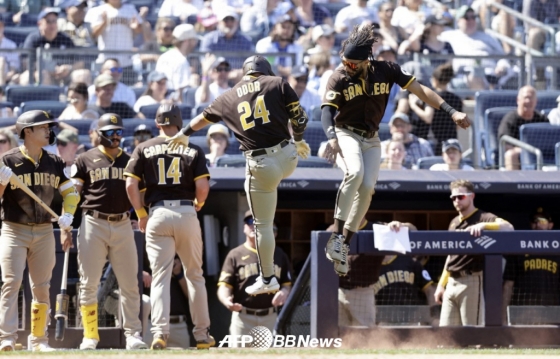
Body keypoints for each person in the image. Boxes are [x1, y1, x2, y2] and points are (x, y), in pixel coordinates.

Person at [321, 24, 471, 277]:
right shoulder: (339, 76)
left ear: (368, 60)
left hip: (371, 138)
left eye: (353, 63)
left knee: (368, 188)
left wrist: (451, 111)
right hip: (345, 132)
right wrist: (331, 137)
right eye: (345, 61)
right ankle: (336, 236)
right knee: (355, 174)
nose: (348, 66)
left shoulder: (387, 70)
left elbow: (420, 90)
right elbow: (326, 111)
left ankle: (344, 244)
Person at [168, 55, 310, 296]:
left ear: (245, 73)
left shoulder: (228, 96)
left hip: (262, 165)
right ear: (265, 71)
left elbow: (205, 116)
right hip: (288, 157)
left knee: (262, 225)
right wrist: (298, 140)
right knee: (263, 185)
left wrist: (184, 132)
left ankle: (268, 279)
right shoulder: (278, 83)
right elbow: (300, 119)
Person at [124, 104, 215, 350]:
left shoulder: (143, 148)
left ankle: (158, 333)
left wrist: (141, 214)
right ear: (179, 122)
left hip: (157, 213)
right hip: (186, 210)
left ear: (157, 124)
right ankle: (202, 335)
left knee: (160, 278)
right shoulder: (193, 148)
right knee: (194, 276)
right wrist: (199, 204)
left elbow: (131, 185)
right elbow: (203, 188)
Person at [0, 111, 79, 351]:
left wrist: (68, 216)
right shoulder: (8, 161)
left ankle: (39, 340)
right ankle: (6, 338)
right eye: (43, 127)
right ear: (27, 132)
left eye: (48, 127)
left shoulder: (54, 161)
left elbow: (70, 193)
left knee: (42, 286)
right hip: (14, 230)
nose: (48, 130)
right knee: (11, 283)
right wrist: (2, 182)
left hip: (45, 230)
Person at [70, 113, 147, 350]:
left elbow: (140, 191)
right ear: (99, 134)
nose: (116, 136)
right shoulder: (84, 159)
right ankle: (90, 336)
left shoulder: (131, 160)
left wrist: (139, 214)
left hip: (123, 223)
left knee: (130, 284)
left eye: (119, 132)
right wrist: (66, 221)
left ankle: (133, 334)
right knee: (89, 283)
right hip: (93, 222)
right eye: (111, 132)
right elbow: (74, 193)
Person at [434, 179, 514, 326]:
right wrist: (441, 285)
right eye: (453, 198)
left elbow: (508, 227)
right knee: (446, 333)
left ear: (472, 196)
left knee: (472, 333)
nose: (457, 200)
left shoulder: (483, 217)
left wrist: (484, 225)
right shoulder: (453, 222)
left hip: (471, 279)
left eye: (461, 197)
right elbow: (451, 256)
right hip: (451, 282)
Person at [217, 211, 292, 346]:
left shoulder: (279, 254)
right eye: (251, 222)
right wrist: (226, 300)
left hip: (270, 317)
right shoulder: (235, 255)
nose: (255, 227)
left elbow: (287, 284)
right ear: (244, 228)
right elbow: (224, 286)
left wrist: (285, 292)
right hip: (243, 317)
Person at [502, 208, 559, 324]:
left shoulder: (557, 251)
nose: (537, 224)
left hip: (552, 311)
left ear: (550, 225)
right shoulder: (518, 249)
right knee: (522, 341)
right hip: (523, 310)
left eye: (542, 221)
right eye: (534, 221)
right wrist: (503, 316)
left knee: (551, 342)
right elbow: (508, 285)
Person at [85, 0, 145, 85]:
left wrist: (135, 28)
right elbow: (94, 34)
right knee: (105, 88)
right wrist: (104, 23)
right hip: (106, 61)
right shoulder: (100, 10)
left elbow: (139, 30)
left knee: (126, 88)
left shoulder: (130, 9)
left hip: (126, 60)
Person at [498, 85, 548, 170]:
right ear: (518, 100)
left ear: (536, 102)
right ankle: (513, 183)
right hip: (520, 156)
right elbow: (505, 145)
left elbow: (550, 141)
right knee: (511, 155)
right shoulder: (510, 119)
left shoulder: (542, 119)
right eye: (525, 98)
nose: (528, 101)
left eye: (531, 98)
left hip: (542, 155)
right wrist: (527, 151)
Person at [155, 24, 199, 102]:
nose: (195, 43)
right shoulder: (182, 61)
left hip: (161, 102)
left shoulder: (163, 56)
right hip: (175, 106)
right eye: (193, 40)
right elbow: (181, 92)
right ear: (186, 41)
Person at [428, 63, 463, 155]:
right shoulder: (456, 99)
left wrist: (413, 105)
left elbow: (428, 117)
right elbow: (459, 125)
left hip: (435, 142)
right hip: (451, 142)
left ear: (435, 80)